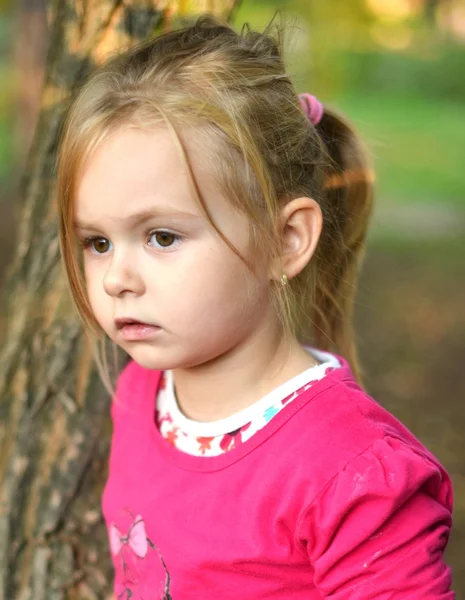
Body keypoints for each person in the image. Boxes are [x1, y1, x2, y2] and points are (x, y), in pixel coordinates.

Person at [56, 15, 455, 600]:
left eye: (162, 237)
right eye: (98, 242)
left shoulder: (352, 475)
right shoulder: (143, 395)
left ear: (287, 240)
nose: (117, 278)